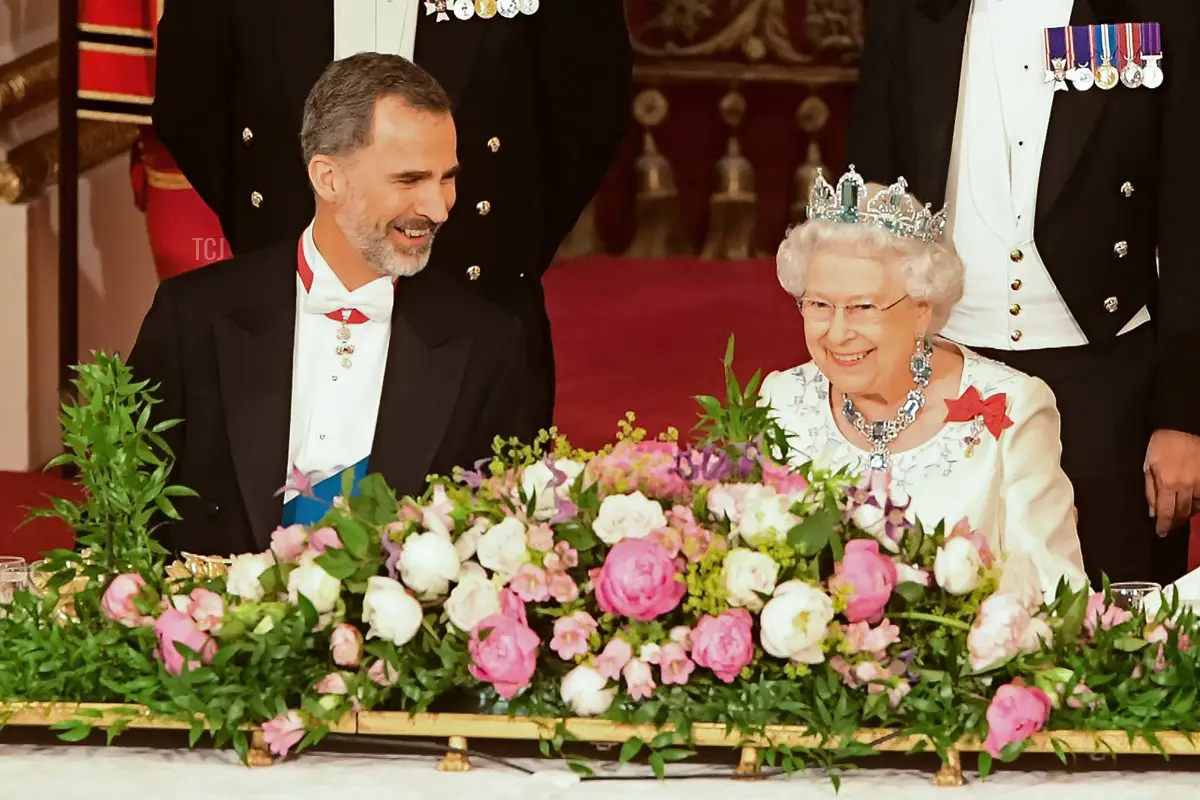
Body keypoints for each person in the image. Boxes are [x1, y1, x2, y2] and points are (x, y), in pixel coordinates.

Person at [151, 0, 634, 433]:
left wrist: (497, 248)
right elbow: (189, 104)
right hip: (282, 305)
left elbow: (587, 109)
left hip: (475, 301)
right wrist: (281, 239)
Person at [846, 1, 1200, 586]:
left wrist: (1184, 417)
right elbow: (871, 208)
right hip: (943, 370)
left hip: (1106, 381)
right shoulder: (911, 13)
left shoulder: (1160, 10)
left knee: (1111, 628)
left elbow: (1192, 227)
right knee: (940, 618)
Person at [128, 54, 536, 558]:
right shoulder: (191, 316)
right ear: (328, 178)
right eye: (409, 180)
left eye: (446, 178)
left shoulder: (488, 342)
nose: (437, 207)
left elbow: (501, 547)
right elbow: (123, 519)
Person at [760, 169, 1088, 599]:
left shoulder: (1013, 408)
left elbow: (1056, 596)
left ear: (921, 309)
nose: (837, 333)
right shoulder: (780, 401)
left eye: (862, 307)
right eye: (819, 304)